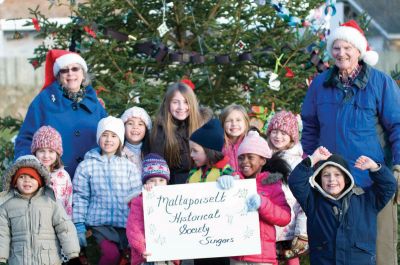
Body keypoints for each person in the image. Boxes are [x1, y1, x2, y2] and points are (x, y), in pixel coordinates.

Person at [300, 20, 400, 265]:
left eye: (347, 48)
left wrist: (397, 168)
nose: (341, 53)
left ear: (359, 50)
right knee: (333, 249)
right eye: (336, 48)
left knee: (380, 251)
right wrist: (313, 162)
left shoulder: (380, 82)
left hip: (371, 183)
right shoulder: (320, 86)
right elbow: (310, 127)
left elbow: (397, 125)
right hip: (331, 183)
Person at [288, 146, 396, 265]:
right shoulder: (312, 200)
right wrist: (313, 159)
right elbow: (295, 181)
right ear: (319, 178)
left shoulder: (366, 200)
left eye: (337, 174)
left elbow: (389, 186)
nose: (332, 179)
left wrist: (375, 167)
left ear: (346, 177)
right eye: (326, 175)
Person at [14, 49, 107, 178]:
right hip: (53, 182)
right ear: (58, 75)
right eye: (64, 70)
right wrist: (27, 169)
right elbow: (25, 139)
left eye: (75, 69)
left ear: (83, 74)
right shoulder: (43, 101)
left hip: (92, 181)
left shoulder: (95, 103)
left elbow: (110, 137)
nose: (70, 74)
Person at [73, 116, 142, 265]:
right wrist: (79, 225)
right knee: (109, 256)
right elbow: (80, 196)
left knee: (127, 259)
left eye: (113, 135)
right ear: (98, 138)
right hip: (99, 226)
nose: (108, 139)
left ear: (120, 140)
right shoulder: (87, 166)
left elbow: (137, 198)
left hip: (125, 226)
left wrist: (139, 224)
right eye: (104, 135)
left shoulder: (129, 167)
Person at [224, 130, 291, 265]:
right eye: (241, 157)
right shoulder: (234, 182)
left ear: (262, 160)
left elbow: (285, 217)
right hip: (237, 256)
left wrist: (263, 204)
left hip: (262, 258)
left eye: (250, 157)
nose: (245, 162)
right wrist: (222, 185)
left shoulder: (271, 184)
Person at [0, 155, 80, 265]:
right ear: (14, 181)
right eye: (22, 177)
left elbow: (65, 228)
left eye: (32, 177)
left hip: (49, 260)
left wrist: (73, 254)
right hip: (19, 260)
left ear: (40, 181)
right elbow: (2, 234)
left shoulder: (51, 202)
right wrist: (1, 257)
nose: (27, 180)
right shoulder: (6, 206)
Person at [266, 111, 307, 264]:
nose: (278, 136)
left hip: (290, 222)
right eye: (274, 131)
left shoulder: (297, 162)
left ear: (292, 137)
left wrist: (302, 230)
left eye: (284, 133)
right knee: (270, 258)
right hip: (267, 221)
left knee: (291, 258)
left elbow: (304, 197)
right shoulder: (263, 157)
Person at [126, 153, 180, 265]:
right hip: (146, 256)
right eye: (152, 180)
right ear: (145, 182)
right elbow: (134, 228)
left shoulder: (174, 200)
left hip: (168, 255)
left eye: (161, 180)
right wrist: (141, 249)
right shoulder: (139, 201)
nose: (157, 184)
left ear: (167, 182)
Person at [150, 82, 202, 184]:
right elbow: (158, 168)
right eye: (175, 102)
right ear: (167, 103)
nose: (181, 107)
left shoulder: (201, 126)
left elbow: (211, 159)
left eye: (186, 102)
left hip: (200, 184)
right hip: (173, 188)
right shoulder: (160, 131)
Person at [31, 125, 73, 217]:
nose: (46, 156)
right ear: (35, 152)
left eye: (51, 151)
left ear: (57, 153)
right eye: (42, 151)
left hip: (59, 224)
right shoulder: (30, 175)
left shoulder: (64, 176)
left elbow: (68, 205)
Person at [188, 118, 235, 184]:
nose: (191, 155)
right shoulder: (193, 172)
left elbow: (236, 187)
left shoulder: (226, 171)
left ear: (209, 152)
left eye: (195, 151)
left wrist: (230, 179)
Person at [220, 104, 250, 172]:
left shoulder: (251, 143)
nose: (234, 124)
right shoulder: (218, 146)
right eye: (229, 121)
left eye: (238, 120)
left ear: (246, 123)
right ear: (223, 124)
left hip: (248, 181)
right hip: (225, 181)